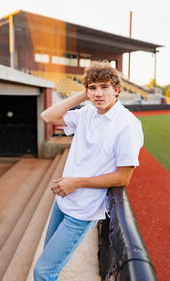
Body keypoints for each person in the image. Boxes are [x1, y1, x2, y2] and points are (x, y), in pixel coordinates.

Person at [34, 61, 143, 280]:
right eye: (92, 88)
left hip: (83, 211)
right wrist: (83, 96)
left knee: (43, 271)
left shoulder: (128, 125)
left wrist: (76, 182)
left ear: (117, 89)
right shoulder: (86, 113)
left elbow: (123, 177)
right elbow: (47, 116)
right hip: (62, 202)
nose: (98, 93)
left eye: (104, 87)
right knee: (47, 261)